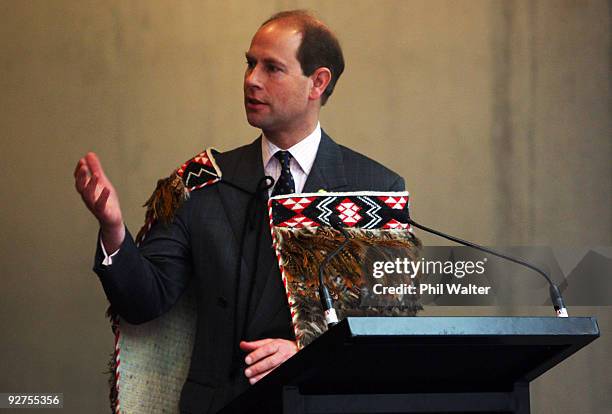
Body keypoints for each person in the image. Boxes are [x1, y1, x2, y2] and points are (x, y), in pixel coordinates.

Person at [74, 10, 405, 413]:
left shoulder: (373, 188)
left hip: (316, 401)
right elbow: (145, 301)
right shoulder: (201, 182)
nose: (252, 80)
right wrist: (113, 231)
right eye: (250, 63)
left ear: (317, 82)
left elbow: (383, 328)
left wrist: (305, 350)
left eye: (272, 68)